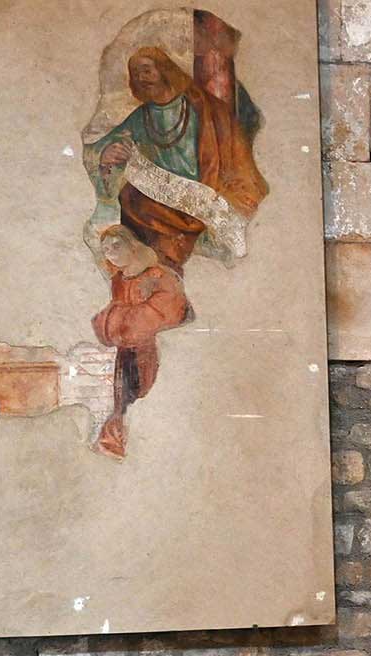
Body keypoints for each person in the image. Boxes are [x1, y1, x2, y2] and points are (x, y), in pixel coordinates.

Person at [87, 46, 267, 270]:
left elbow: (232, 151)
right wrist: (105, 153)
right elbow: (101, 145)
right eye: (136, 74)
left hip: (200, 195)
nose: (142, 78)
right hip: (156, 201)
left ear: (164, 70)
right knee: (130, 198)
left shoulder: (203, 108)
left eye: (147, 70)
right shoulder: (141, 116)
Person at [90, 226, 191, 458]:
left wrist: (119, 322)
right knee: (122, 400)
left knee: (145, 401)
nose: (112, 253)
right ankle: (115, 443)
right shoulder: (118, 280)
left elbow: (166, 312)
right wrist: (117, 323)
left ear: (133, 245)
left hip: (151, 351)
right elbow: (107, 322)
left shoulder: (158, 275)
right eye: (106, 250)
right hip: (125, 353)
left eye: (117, 245)